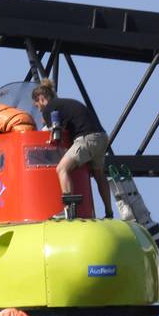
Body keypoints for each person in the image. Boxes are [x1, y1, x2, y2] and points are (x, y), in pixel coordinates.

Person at [31, 79, 113, 219]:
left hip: (86, 139)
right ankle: (109, 212)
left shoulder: (50, 108)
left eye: (37, 105)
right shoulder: (65, 103)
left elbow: (56, 134)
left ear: (42, 99)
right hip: (102, 137)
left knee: (62, 169)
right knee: (99, 175)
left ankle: (69, 210)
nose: (39, 109)